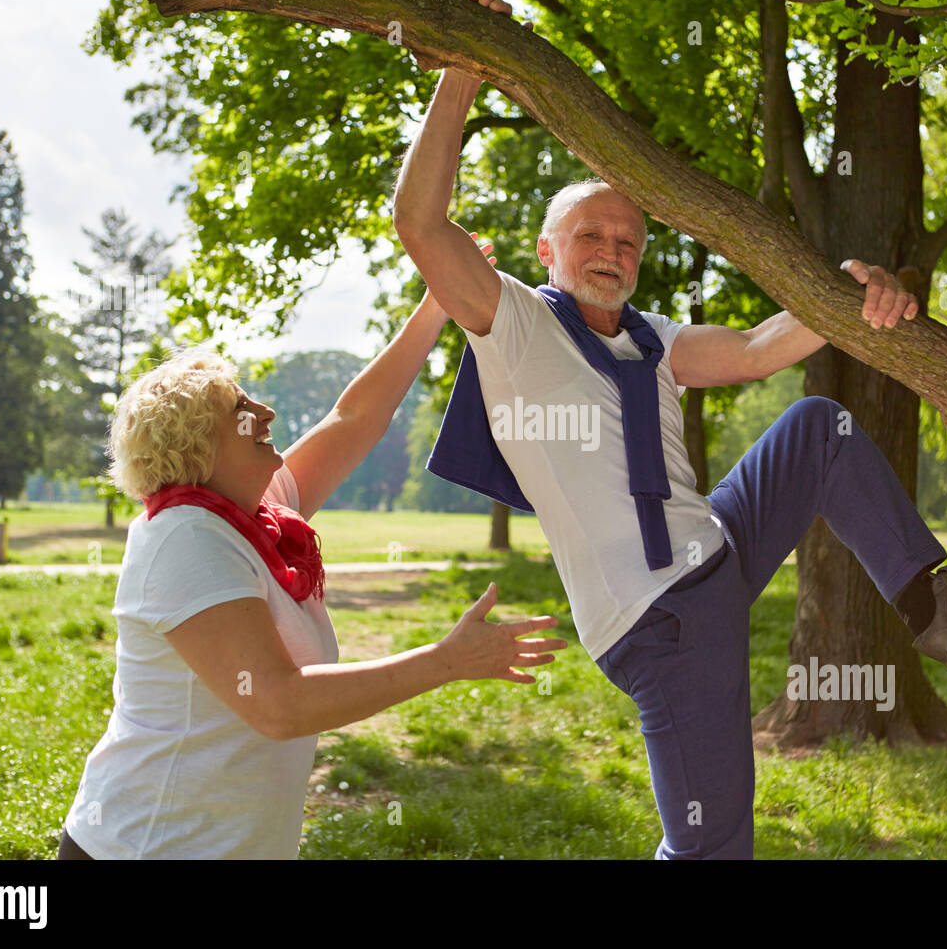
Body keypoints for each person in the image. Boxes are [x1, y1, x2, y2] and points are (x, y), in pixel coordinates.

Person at [392, 0, 947, 859]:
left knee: (817, 427)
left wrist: (854, 298)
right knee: (710, 843)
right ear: (548, 250)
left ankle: (929, 604)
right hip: (660, 613)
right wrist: (461, 66)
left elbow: (758, 347)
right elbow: (419, 222)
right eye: (591, 234)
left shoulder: (654, 339)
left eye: (630, 241)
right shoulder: (515, 323)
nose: (612, 250)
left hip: (713, 549)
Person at [58, 240, 566, 859]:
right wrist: (444, 661)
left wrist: (438, 304)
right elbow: (276, 705)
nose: (265, 409)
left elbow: (355, 418)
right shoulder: (184, 538)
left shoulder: (260, 510)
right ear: (197, 445)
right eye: (241, 409)